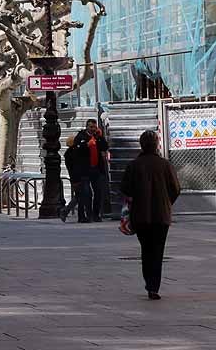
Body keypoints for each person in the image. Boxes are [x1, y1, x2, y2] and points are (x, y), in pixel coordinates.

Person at [120, 130, 181, 300]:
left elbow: (124, 188)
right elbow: (176, 189)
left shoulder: (134, 165)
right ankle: (154, 286)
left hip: (140, 216)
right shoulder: (165, 164)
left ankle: (149, 282)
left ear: (141, 145)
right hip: (161, 216)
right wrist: (166, 203)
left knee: (146, 249)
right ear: (156, 144)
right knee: (158, 250)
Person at [71, 119, 109, 222]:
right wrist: (86, 145)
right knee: (86, 193)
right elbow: (76, 150)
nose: (92, 129)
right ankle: (86, 215)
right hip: (85, 170)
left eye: (94, 127)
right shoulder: (81, 137)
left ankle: (96, 215)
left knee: (98, 192)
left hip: (96, 169)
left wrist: (99, 137)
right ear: (87, 127)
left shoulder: (98, 137)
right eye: (91, 127)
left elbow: (105, 146)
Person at [60, 135, 80, 222]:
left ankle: (66, 211)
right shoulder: (73, 154)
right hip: (77, 178)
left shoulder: (68, 153)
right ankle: (65, 211)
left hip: (74, 178)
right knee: (79, 196)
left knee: (79, 196)